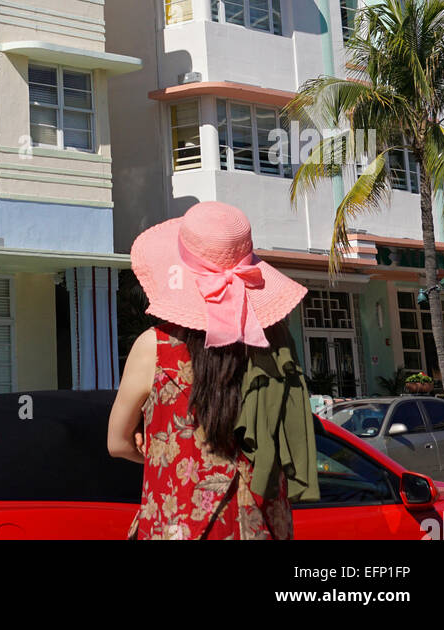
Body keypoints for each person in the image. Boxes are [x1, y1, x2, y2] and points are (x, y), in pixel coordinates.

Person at [108, 200, 318, 540]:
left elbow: (117, 443)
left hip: (179, 523)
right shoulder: (274, 344)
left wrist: (158, 446)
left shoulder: (154, 348)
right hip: (261, 523)